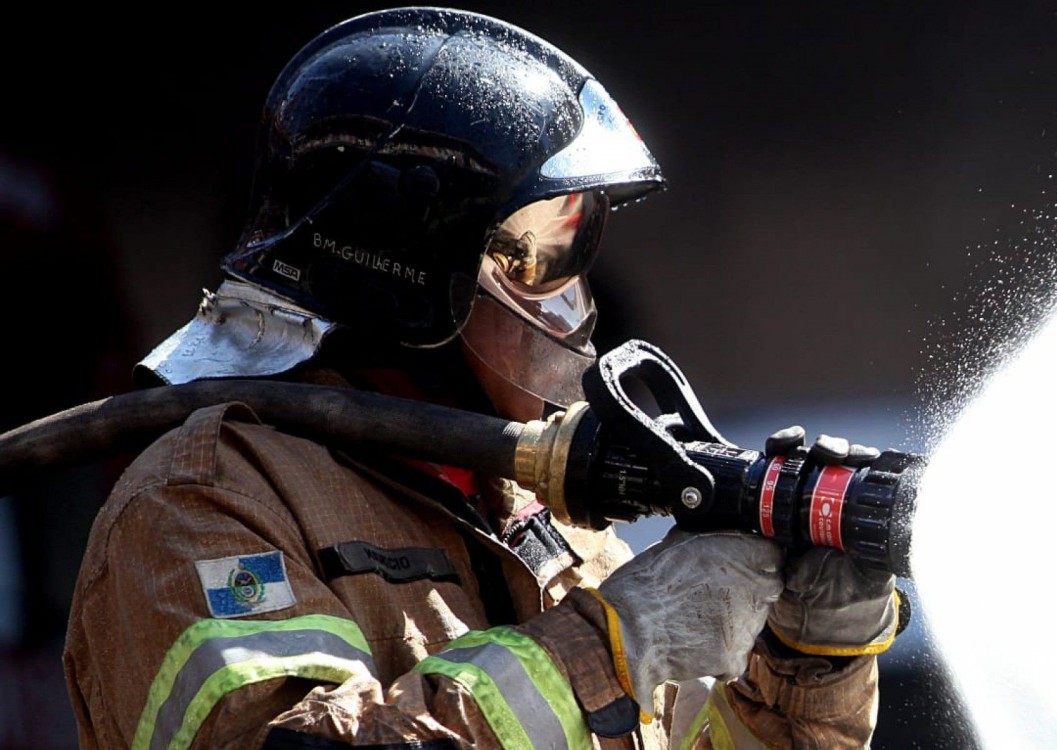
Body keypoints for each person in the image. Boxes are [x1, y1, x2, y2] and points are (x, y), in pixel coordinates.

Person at [64, 9, 899, 749]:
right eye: (537, 252)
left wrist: (804, 668)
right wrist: (610, 646)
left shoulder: (551, 527)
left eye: (577, 245)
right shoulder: (206, 504)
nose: (574, 299)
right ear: (410, 271)